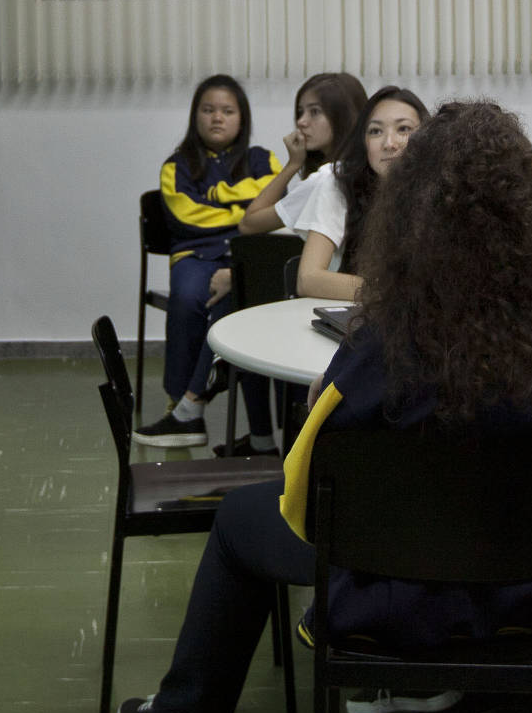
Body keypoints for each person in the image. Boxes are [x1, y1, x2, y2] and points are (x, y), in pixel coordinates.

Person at [114, 101, 532, 713]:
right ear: (529, 202)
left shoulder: (388, 331)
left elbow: (309, 488)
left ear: (414, 205)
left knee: (240, 517)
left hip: (402, 595)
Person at [137, 76, 278, 447]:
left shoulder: (262, 158)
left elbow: (275, 196)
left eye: (228, 111)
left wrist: (216, 195)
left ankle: (195, 412)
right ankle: (180, 401)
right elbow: (187, 217)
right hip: (194, 254)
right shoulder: (177, 165)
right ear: (195, 116)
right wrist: (243, 209)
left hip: (247, 254)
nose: (218, 118)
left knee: (246, 303)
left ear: (241, 119)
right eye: (209, 110)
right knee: (189, 298)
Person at [296, 88, 426, 302]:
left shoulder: (443, 190)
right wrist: (396, 294)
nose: (389, 143)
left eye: (403, 129)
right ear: (363, 143)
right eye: (375, 131)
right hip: (358, 316)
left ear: (426, 138)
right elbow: (308, 278)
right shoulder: (339, 184)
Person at [238, 72, 366, 236]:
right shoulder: (362, 168)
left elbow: (249, 224)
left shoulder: (326, 179)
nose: (301, 121)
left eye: (315, 112)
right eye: (300, 112)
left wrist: (292, 164)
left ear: (343, 116)